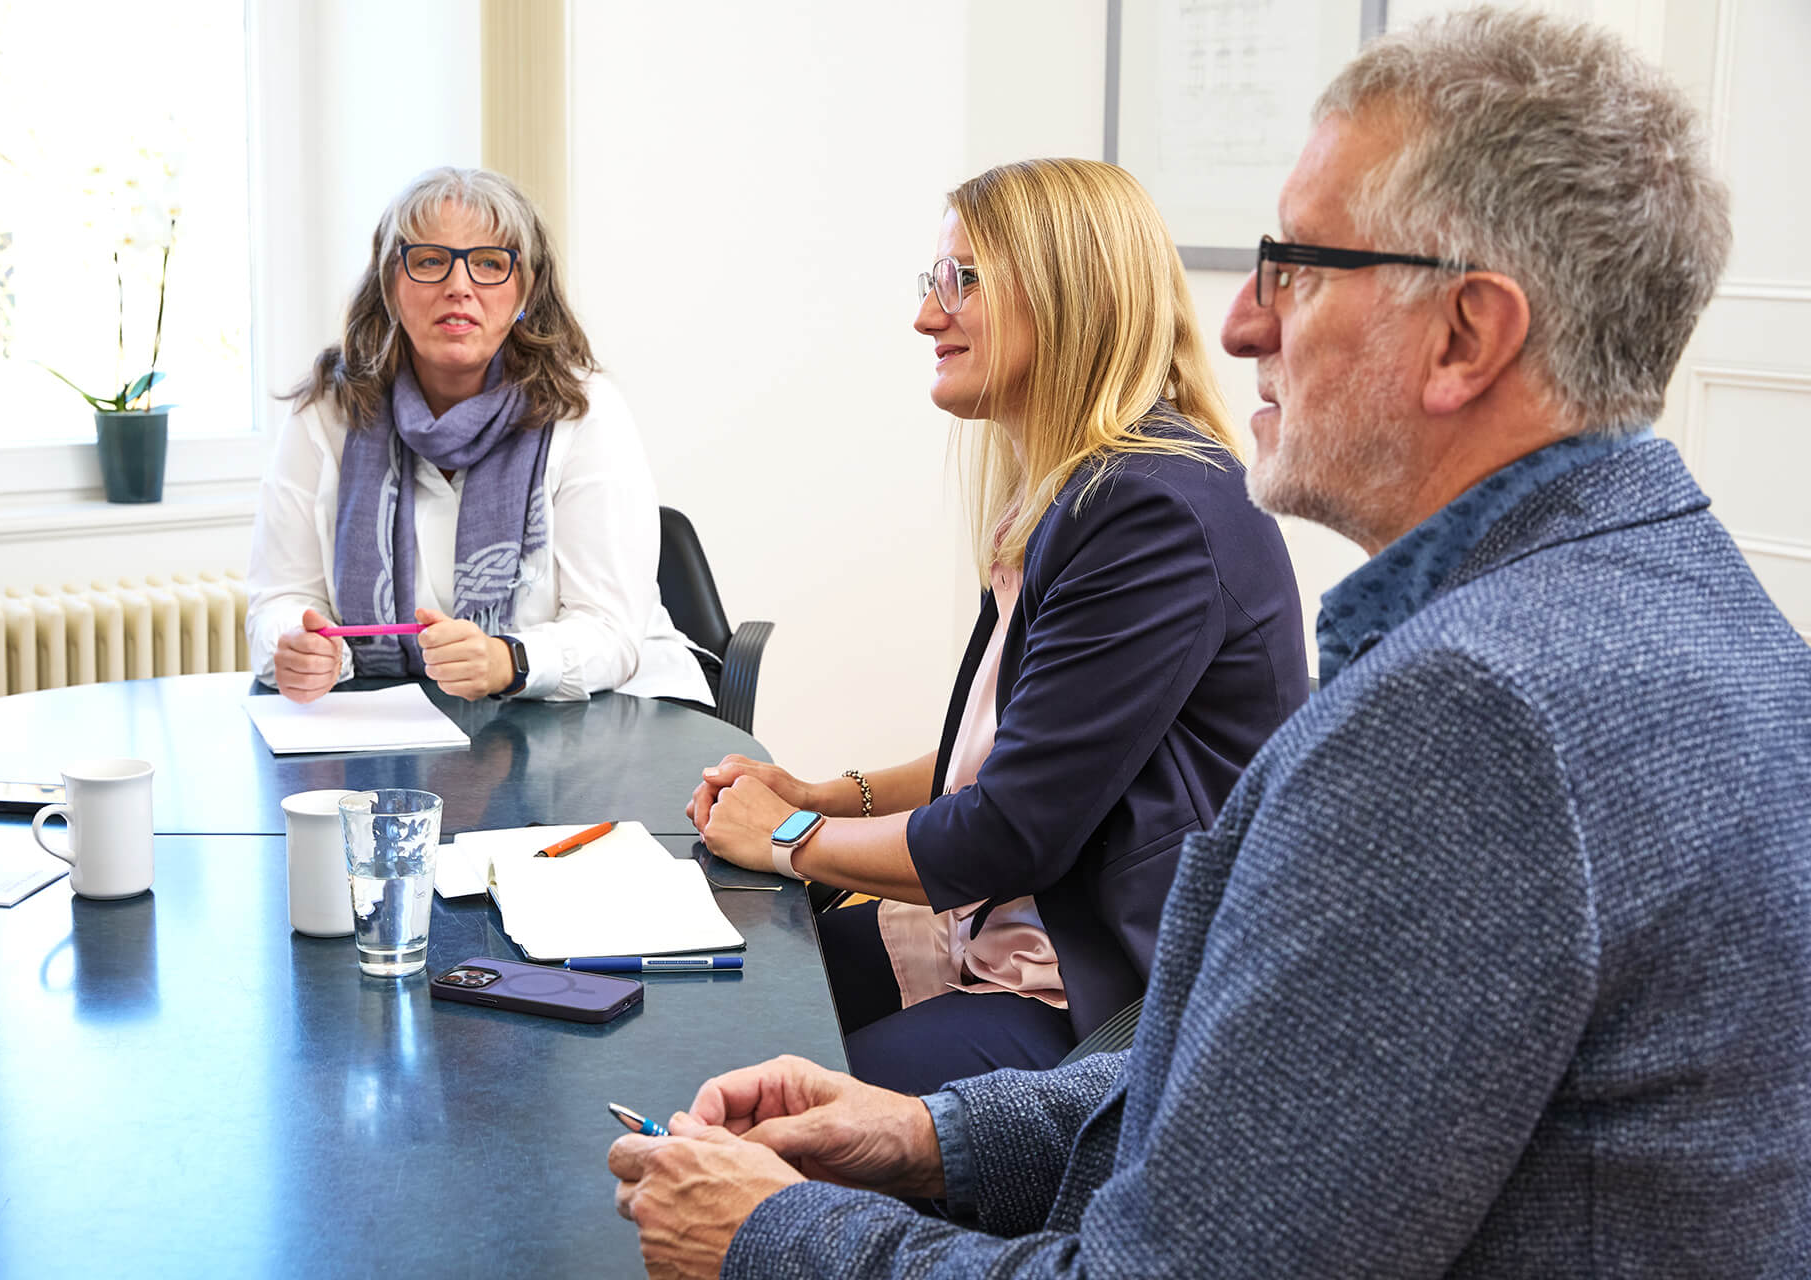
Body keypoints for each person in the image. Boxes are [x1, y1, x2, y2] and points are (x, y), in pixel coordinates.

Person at [610, 11, 1811, 1277]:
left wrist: (777, 1238)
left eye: (1292, 268)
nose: (1239, 324)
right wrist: (930, 1137)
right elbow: (1263, 1110)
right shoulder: (1695, 612)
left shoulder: (1472, 714)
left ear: (1467, 334)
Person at [688, 157, 1308, 1095]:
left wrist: (787, 836)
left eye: (960, 281)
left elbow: (1006, 831)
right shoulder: (1073, 494)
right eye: (932, 282)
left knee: (771, 1107)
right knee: (722, 1007)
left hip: (1104, 997)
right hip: (1004, 933)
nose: (926, 316)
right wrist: (818, 794)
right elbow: (1003, 760)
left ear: (1068, 294)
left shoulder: (1152, 510)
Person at [245, 166, 710, 707]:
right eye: (430, 261)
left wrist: (507, 660)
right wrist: (297, 646)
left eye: (489, 263)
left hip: (603, 714)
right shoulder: (329, 410)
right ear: (391, 285)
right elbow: (280, 600)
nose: (458, 287)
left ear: (525, 290)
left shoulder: (585, 410)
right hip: (399, 727)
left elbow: (609, 629)